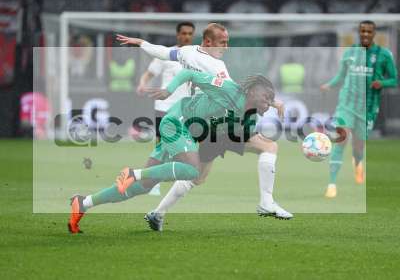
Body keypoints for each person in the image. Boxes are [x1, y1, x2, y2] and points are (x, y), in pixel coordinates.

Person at [117, 23, 292, 232]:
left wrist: (142, 43)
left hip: (201, 121)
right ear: (208, 41)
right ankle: (266, 202)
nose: (226, 47)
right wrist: (273, 102)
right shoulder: (217, 67)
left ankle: (157, 213)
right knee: (270, 147)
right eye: (223, 43)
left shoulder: (187, 52)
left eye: (227, 43)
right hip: (220, 120)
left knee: (197, 177)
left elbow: (164, 53)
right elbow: (238, 92)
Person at [68, 70, 276, 234]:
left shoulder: (250, 121)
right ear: (251, 92)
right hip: (177, 121)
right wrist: (169, 89)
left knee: (142, 187)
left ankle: (84, 202)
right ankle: (134, 172)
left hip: (187, 136)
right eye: (266, 96)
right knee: (192, 170)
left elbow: (223, 135)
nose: (269, 102)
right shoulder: (228, 89)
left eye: (272, 99)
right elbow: (190, 74)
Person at [320, 20, 397, 198]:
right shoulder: (350, 53)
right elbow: (340, 76)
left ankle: (358, 162)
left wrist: (382, 83)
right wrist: (329, 85)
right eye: (362, 31)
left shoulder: (384, 55)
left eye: (369, 32)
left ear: (374, 33)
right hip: (346, 105)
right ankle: (331, 184)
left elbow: (394, 79)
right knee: (341, 140)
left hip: (367, 108)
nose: (365, 35)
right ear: (359, 32)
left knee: (358, 146)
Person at [136, 21, 195, 195]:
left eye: (190, 33)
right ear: (178, 35)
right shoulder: (166, 54)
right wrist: (142, 83)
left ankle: (180, 180)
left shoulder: (196, 56)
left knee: (184, 146)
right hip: (164, 106)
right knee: (161, 145)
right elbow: (150, 73)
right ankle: (154, 183)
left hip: (185, 110)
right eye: (183, 33)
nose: (187, 36)